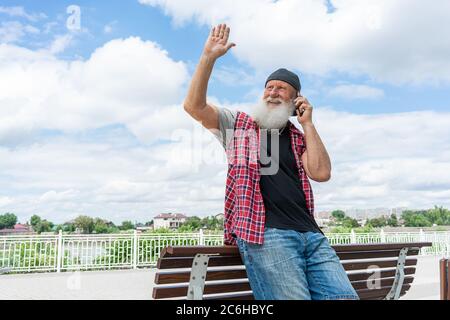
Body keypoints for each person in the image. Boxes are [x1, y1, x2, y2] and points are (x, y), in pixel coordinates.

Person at [183, 23, 359, 300]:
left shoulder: (299, 138)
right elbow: (194, 107)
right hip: (266, 234)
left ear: (296, 100)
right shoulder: (238, 125)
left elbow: (321, 173)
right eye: (269, 87)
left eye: (282, 89)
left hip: (311, 235)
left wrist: (308, 123)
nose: (273, 92)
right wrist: (208, 57)